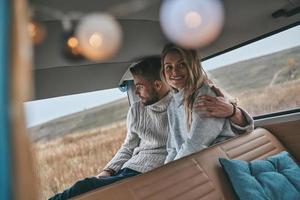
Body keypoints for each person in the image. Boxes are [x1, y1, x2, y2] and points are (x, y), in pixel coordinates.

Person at [49, 56, 252, 200]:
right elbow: (128, 147)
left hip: (152, 172)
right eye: (169, 67)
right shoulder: (136, 111)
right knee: (89, 185)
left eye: (139, 86)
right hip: (129, 168)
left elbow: (192, 142)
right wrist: (108, 170)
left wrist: (234, 110)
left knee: (84, 187)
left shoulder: (183, 102)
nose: (136, 93)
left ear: (157, 84)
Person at [161, 44, 253, 163]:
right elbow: (172, 148)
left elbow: (196, 144)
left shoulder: (204, 96)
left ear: (192, 67)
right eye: (169, 67)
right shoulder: (172, 105)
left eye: (182, 65)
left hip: (224, 162)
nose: (174, 71)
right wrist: (165, 169)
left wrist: (169, 173)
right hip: (195, 162)